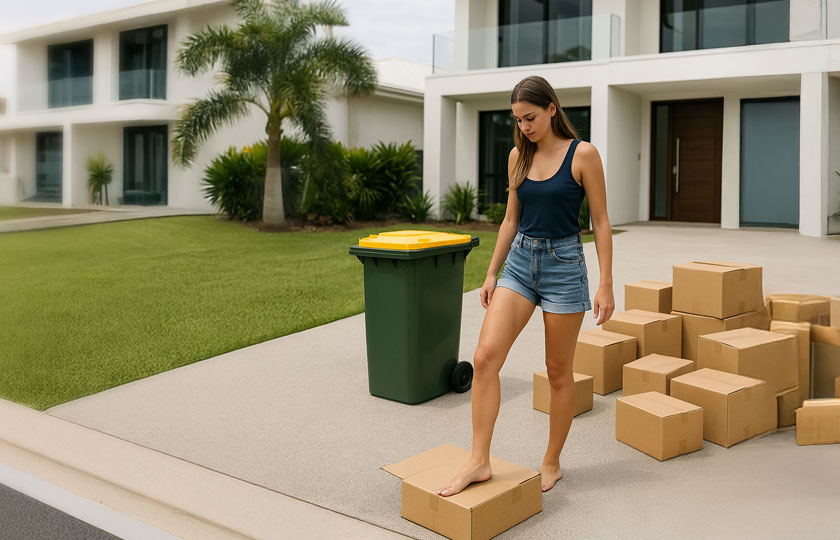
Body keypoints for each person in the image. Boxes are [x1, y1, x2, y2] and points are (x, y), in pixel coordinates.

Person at [434, 75, 615, 496]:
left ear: (552, 109)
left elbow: (601, 222)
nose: (524, 127)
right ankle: (479, 461)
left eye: (530, 118)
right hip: (520, 262)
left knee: (557, 372)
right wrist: (492, 272)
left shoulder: (583, 154)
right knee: (483, 359)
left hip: (564, 266)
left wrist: (605, 283)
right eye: (518, 120)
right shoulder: (518, 154)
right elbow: (511, 219)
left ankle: (552, 460)